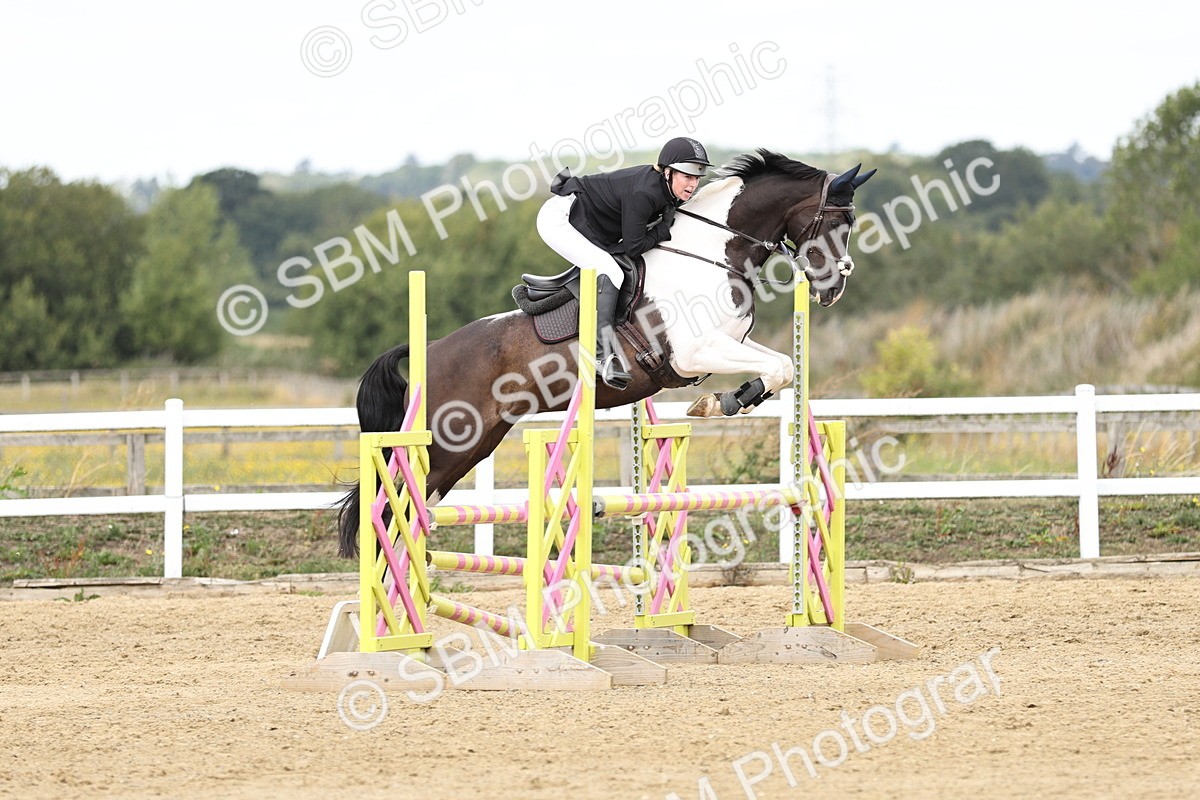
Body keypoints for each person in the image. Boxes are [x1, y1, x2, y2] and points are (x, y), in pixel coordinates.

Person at [536, 136, 712, 389]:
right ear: (669, 172)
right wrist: (662, 230)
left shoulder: (664, 189)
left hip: (585, 222)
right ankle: (602, 356)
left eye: (697, 178)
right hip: (559, 220)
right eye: (687, 177)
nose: (693, 184)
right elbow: (634, 247)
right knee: (610, 271)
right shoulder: (646, 193)